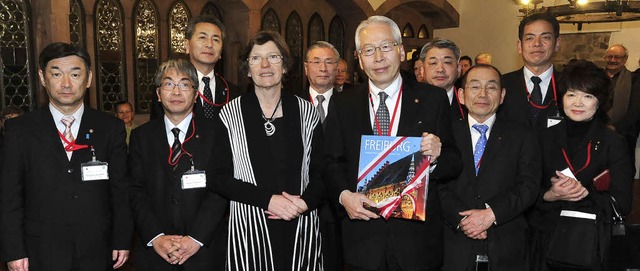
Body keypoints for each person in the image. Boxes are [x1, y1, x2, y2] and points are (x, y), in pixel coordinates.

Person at [324, 16, 462, 271]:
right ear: (359, 58)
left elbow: (455, 162)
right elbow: (331, 161)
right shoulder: (343, 103)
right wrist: (344, 197)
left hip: (417, 242)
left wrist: (436, 158)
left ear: (400, 50)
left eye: (385, 47)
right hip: (363, 240)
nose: (378, 57)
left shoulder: (432, 99)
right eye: (368, 50)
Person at [0, 42, 131, 271]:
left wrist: (122, 238)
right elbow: (9, 196)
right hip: (39, 250)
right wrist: (13, 250)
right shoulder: (20, 130)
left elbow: (120, 190)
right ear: (42, 77)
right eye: (57, 74)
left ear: (88, 78)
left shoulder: (110, 128)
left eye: (75, 74)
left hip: (97, 247)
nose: (66, 83)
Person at [211, 31, 324, 270]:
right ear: (247, 69)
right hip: (249, 224)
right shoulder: (230, 115)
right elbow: (218, 177)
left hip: (300, 222)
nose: (265, 65)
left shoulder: (306, 112)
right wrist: (267, 201)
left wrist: (304, 203)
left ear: (284, 65)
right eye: (255, 58)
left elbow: (322, 171)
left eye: (273, 56)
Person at [528, 60, 633, 270]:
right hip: (546, 238)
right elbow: (525, 190)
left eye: (588, 96)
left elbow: (622, 204)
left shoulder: (614, 143)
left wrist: (585, 193)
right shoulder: (542, 138)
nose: (578, 103)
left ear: (599, 102)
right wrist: (549, 195)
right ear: (562, 98)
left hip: (589, 241)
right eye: (572, 94)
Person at [129, 59, 228, 271]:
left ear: (195, 94)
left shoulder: (217, 133)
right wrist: (156, 237)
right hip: (155, 254)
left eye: (184, 84)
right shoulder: (141, 137)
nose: (176, 92)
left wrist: (196, 238)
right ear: (158, 94)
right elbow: (136, 191)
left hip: (204, 252)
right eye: (168, 84)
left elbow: (221, 190)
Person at [439, 64, 540, 270]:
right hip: (454, 243)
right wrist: (464, 220)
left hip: (506, 243)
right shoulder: (444, 134)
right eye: (475, 87)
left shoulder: (523, 136)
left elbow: (529, 186)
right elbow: (437, 185)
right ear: (461, 95)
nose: (483, 94)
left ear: (502, 95)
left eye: (491, 88)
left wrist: (492, 214)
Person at [302, 40, 343, 271]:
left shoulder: (351, 105)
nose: (323, 68)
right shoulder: (289, 104)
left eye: (329, 62)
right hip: (300, 201)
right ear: (306, 67)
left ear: (337, 68)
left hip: (337, 206)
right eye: (316, 62)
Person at [151, 15, 239, 119]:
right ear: (187, 45)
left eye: (216, 40)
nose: (209, 45)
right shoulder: (168, 88)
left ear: (221, 52)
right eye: (202, 37)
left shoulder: (234, 92)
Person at [500, 12, 565, 130]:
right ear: (520, 46)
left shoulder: (569, 85)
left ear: (557, 44)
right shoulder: (502, 84)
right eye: (530, 38)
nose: (537, 44)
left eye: (545, 37)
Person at [603, 44, 640, 170]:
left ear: (625, 59)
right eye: (610, 56)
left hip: (624, 132)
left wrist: (615, 127)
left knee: (623, 168)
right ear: (605, 57)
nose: (612, 60)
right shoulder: (596, 77)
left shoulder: (634, 79)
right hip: (598, 130)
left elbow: (636, 109)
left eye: (617, 57)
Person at [420, 38, 465, 121]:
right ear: (422, 71)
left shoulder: (468, 105)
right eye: (433, 63)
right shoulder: (407, 103)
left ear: (458, 69)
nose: (440, 69)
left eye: (447, 62)